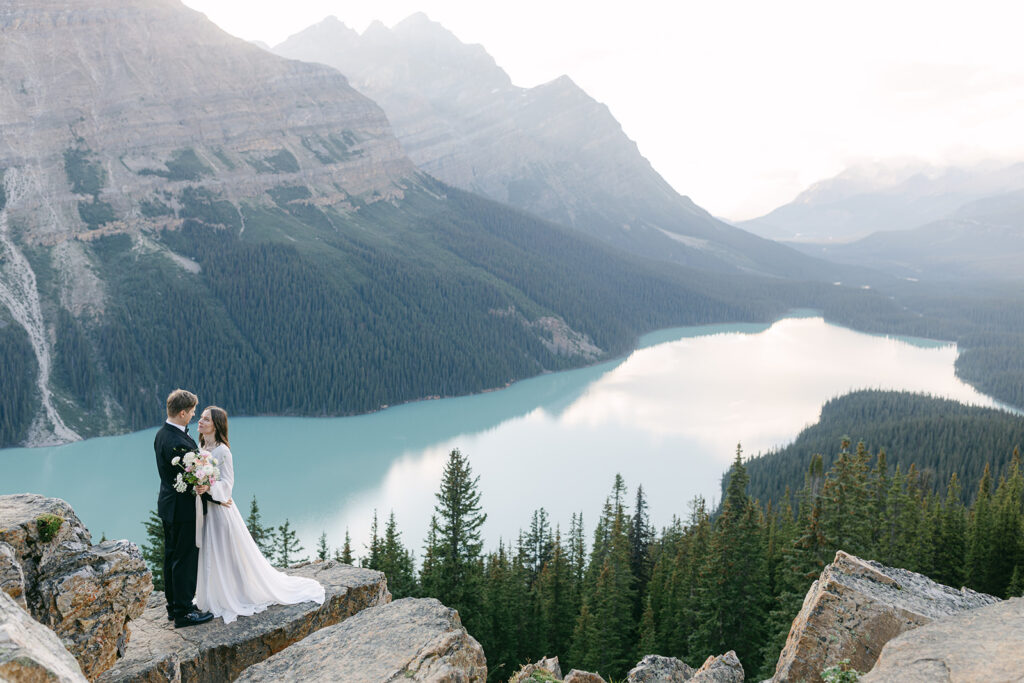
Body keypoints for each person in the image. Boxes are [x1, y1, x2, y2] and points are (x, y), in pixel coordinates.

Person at [194, 406, 325, 624]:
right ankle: (210, 595)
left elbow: (228, 484)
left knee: (224, 552)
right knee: (209, 550)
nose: (200, 421)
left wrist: (208, 488)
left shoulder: (223, 451)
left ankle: (231, 594)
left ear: (216, 424)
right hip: (204, 510)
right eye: (200, 418)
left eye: (205, 419)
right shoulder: (200, 447)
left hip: (220, 510)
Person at [154, 389, 214, 628]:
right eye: (191, 412)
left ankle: (173, 607)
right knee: (185, 558)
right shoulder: (177, 441)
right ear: (181, 412)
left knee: (171, 557)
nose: (193, 415)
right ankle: (184, 611)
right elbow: (191, 477)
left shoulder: (162, 433)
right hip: (183, 509)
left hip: (168, 505)